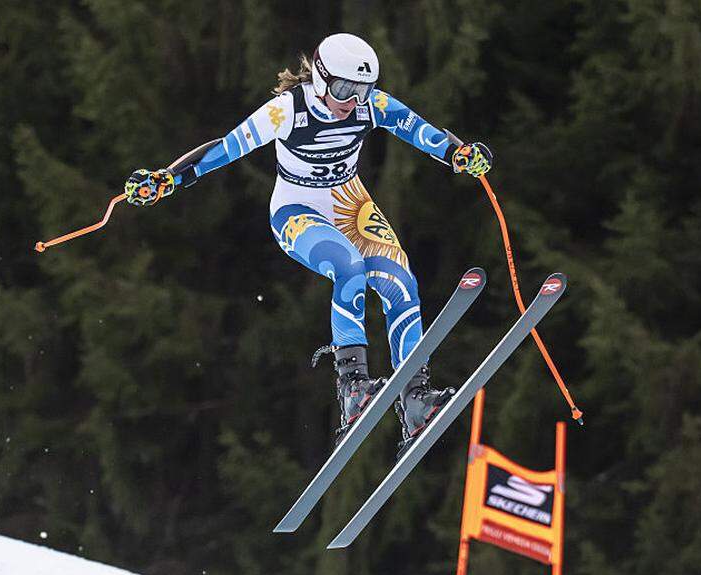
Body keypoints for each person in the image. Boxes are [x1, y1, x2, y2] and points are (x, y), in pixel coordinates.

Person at [125, 33, 493, 458]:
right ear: (321, 78)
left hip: (350, 203)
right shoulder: (287, 111)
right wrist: (169, 179)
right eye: (344, 89)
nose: (353, 101)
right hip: (297, 211)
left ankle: (415, 399)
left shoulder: (370, 105)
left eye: (363, 90)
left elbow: (416, 129)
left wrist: (457, 154)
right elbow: (226, 148)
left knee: (400, 280)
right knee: (349, 267)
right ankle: (353, 386)